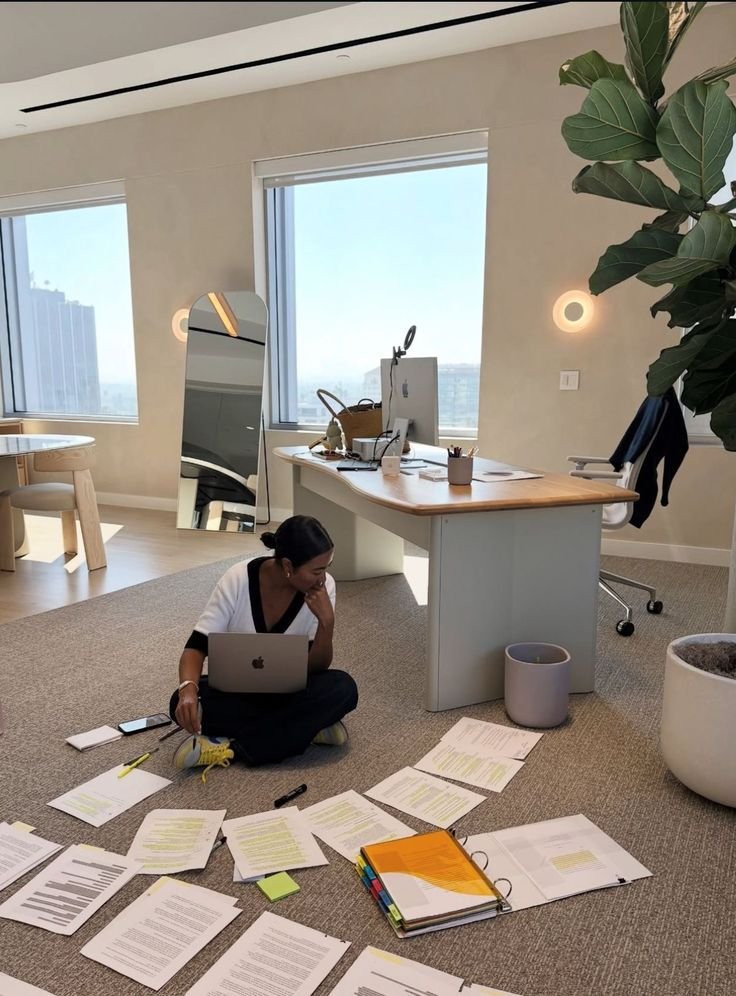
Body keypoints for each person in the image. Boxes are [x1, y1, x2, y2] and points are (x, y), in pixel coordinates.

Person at [170, 515, 358, 779]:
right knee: (179, 702)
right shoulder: (237, 579)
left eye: (326, 568)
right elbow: (196, 646)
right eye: (316, 571)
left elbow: (317, 667)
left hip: (290, 691)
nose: (322, 578)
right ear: (288, 565)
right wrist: (187, 690)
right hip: (239, 692)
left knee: (343, 688)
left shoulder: (324, 588)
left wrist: (327, 623)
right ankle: (310, 728)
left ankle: (232, 748)